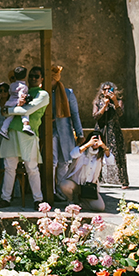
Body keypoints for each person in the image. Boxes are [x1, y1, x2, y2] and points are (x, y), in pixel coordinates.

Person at [0, 67, 49, 208]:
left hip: (28, 134)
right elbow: (5, 112)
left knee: (31, 167)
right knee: (9, 167)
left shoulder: (43, 94)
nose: (33, 78)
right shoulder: (22, 89)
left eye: (36, 76)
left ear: (42, 78)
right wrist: (8, 110)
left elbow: (27, 110)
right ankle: (5, 198)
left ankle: (38, 200)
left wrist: (9, 110)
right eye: (30, 75)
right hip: (12, 131)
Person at [50, 64, 84, 198]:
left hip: (65, 133)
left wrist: (80, 133)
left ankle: (61, 190)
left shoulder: (68, 93)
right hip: (50, 132)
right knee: (52, 162)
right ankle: (51, 190)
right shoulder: (44, 93)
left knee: (64, 162)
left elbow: (75, 114)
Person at [60, 131, 109, 211]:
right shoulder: (82, 150)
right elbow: (73, 154)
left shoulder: (100, 155)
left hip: (88, 188)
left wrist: (104, 147)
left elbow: (111, 161)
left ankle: (82, 202)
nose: (95, 143)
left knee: (100, 207)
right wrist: (87, 144)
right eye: (94, 140)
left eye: (97, 141)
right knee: (64, 184)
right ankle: (71, 200)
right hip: (76, 184)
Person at [94, 82, 129, 188]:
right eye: (104, 89)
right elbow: (95, 116)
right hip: (101, 130)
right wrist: (104, 106)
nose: (107, 91)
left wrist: (114, 101)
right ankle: (96, 179)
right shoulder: (97, 102)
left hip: (114, 131)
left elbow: (120, 113)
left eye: (109, 89)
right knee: (98, 154)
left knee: (118, 154)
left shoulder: (118, 101)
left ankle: (123, 181)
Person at [0, 67, 35, 138]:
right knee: (25, 113)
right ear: (25, 76)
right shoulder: (24, 87)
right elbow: (21, 95)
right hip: (17, 103)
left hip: (9, 103)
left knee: (9, 117)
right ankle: (26, 126)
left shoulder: (12, 85)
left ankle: (3, 129)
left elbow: (10, 92)